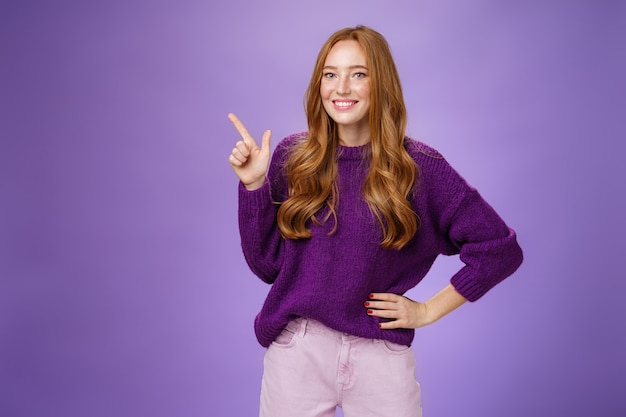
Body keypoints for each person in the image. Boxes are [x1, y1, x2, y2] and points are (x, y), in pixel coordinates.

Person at [227, 25, 523, 417]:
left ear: (380, 83)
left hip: (380, 358)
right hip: (298, 350)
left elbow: (499, 250)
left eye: (358, 74)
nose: (341, 87)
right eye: (330, 74)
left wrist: (428, 310)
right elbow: (267, 265)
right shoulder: (291, 157)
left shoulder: (421, 168)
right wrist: (254, 186)